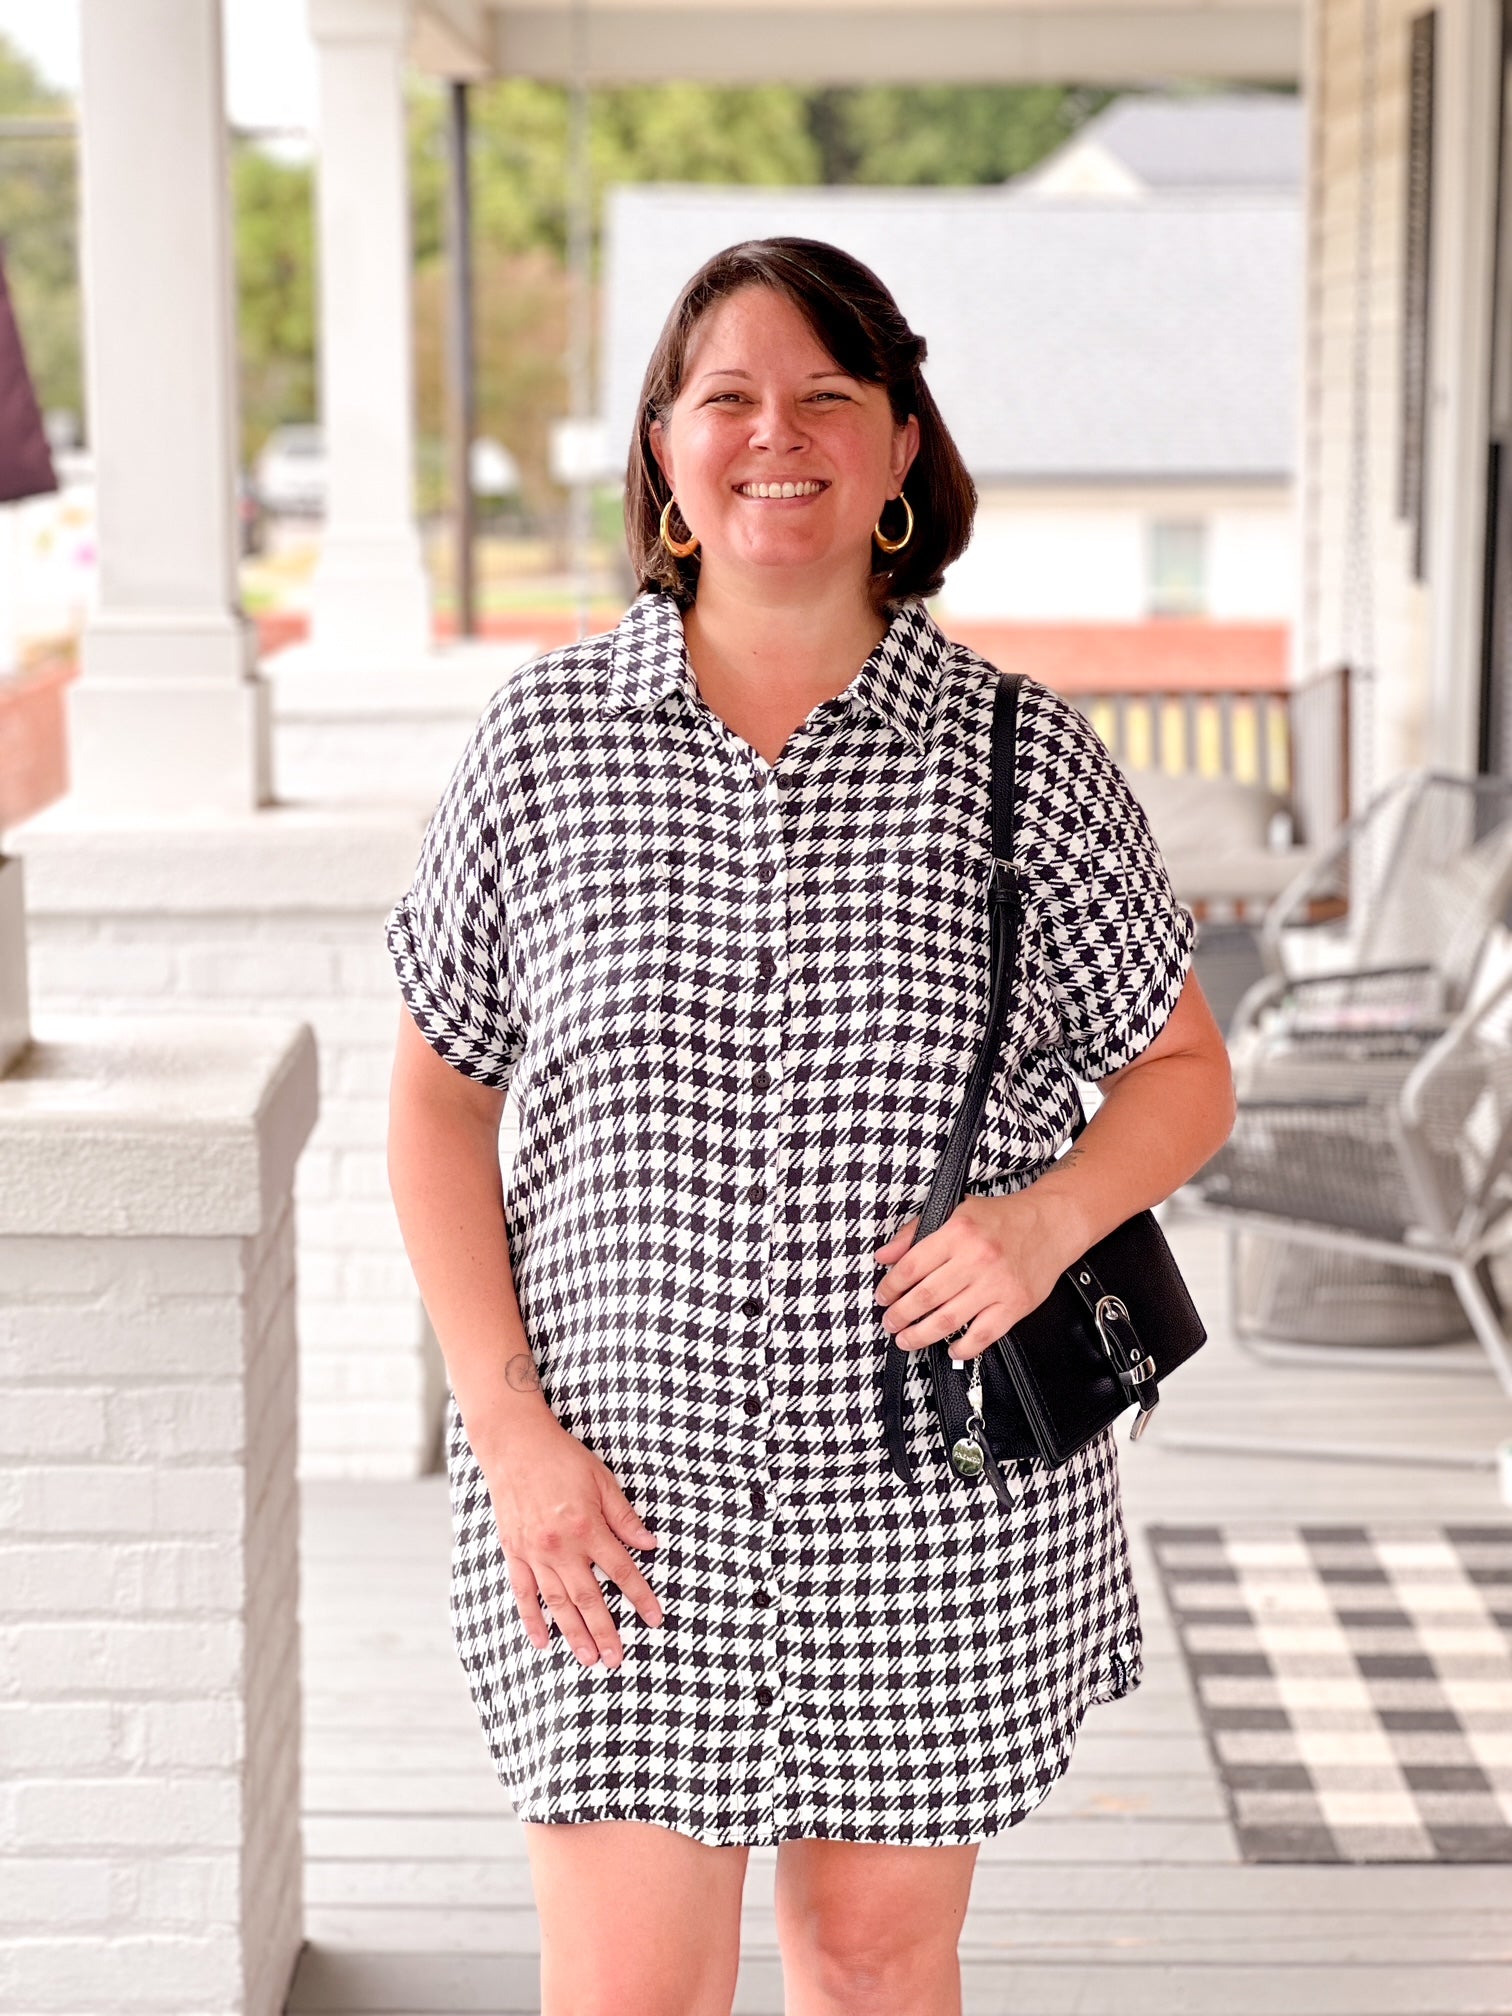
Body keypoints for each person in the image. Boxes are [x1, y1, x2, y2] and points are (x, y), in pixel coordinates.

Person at [384, 236, 1236, 2016]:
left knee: (869, 1966)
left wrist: (1039, 1222)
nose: (780, 435)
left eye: (830, 396)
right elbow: (437, 1093)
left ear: (903, 444)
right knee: (630, 1996)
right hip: (612, 1502)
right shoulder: (543, 746)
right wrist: (508, 1433)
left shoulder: (1017, 755)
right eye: (730, 399)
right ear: (666, 449)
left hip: (931, 1500)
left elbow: (1182, 1074)